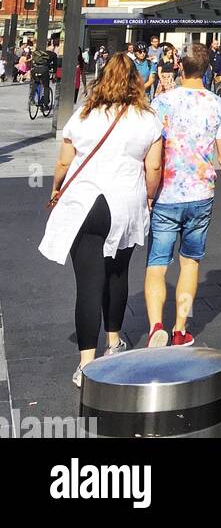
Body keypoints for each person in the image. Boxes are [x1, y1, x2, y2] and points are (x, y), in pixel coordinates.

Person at [39, 52, 163, 386]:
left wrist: (54, 189)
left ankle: (85, 364)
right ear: (137, 80)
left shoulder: (83, 115)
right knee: (117, 275)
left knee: (88, 284)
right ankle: (114, 342)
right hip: (124, 206)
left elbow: (64, 163)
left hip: (84, 204)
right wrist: (150, 195)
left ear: (101, 77)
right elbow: (153, 167)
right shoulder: (148, 118)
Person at [144, 44, 221, 347]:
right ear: (208, 69)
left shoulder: (161, 103)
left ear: (179, 67)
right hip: (201, 193)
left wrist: (148, 192)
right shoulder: (218, 105)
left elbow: (153, 156)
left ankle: (155, 326)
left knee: (158, 262)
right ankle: (179, 328)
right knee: (190, 263)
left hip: (165, 194)